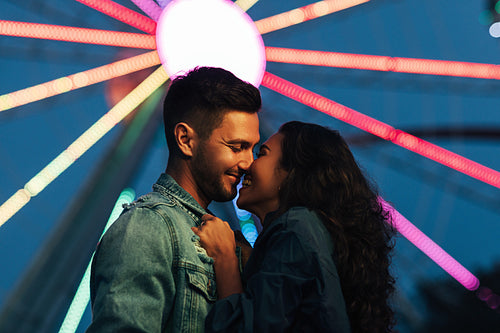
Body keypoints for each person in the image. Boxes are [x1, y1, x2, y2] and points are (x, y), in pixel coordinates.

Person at [86, 67, 261, 332]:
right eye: (237, 147)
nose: (248, 163)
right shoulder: (146, 228)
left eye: (253, 149)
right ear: (185, 139)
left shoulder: (227, 241)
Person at [192, 121, 397, 332]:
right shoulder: (309, 232)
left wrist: (224, 258)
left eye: (262, 153)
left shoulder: (295, 229)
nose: (247, 165)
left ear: (292, 173)